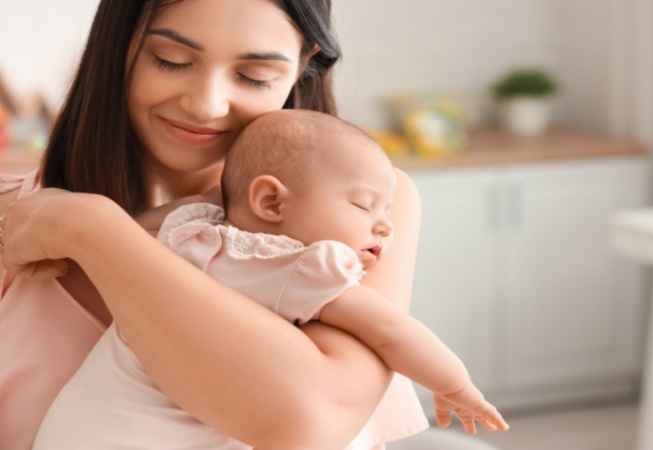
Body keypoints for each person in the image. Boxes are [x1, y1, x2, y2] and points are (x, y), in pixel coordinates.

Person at [0, 1, 469, 449]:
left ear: (304, 63)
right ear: (117, 47)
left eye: (254, 75)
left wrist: (92, 230)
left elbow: (306, 421)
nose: (206, 104)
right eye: (170, 60)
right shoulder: (12, 213)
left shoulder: (363, 209)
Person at [32, 110, 509, 450]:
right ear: (272, 203)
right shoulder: (291, 266)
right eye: (364, 206)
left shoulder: (190, 234)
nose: (384, 226)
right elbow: (389, 330)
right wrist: (455, 385)